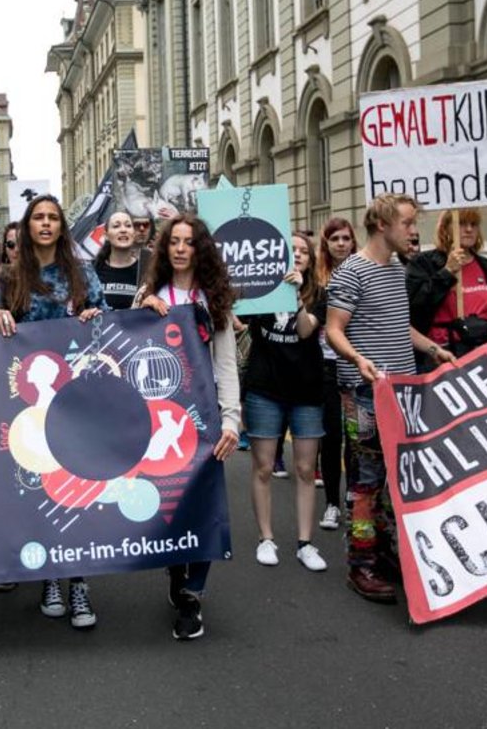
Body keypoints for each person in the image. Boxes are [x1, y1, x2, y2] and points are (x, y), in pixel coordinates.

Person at [324, 194, 455, 604]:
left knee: (392, 479)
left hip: (402, 390)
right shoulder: (351, 273)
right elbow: (334, 330)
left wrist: (433, 349)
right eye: (407, 223)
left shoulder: (397, 269)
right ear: (382, 225)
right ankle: (360, 564)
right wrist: (359, 359)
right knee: (365, 481)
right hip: (365, 392)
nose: (414, 231)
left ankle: (380, 553)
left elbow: (400, 328)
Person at [0, 195, 107, 629]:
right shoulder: (8, 276)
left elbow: (106, 323)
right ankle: (50, 574)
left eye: (53, 218)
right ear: (27, 224)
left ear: (61, 227)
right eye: (38, 217)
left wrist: (96, 314)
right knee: (39, 491)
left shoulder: (84, 273)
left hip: (76, 399)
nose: (45, 224)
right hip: (27, 400)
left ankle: (79, 583)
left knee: (75, 489)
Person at [134, 214, 241, 640]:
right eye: (173, 241)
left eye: (188, 242)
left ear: (200, 249)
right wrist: (141, 312)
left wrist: (231, 418)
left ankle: (193, 596)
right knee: (170, 504)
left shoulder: (215, 299)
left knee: (205, 504)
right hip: (159, 418)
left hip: (204, 419)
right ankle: (177, 569)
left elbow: (226, 363)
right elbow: (130, 351)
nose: (180, 248)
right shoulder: (151, 293)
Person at [239, 231, 329, 573]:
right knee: (262, 467)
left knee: (306, 469)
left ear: (310, 259)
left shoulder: (320, 292)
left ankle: (306, 543)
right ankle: (266, 538)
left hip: (306, 390)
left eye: (303, 251)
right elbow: (236, 317)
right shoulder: (261, 288)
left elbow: (306, 331)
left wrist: (297, 295)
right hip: (265, 388)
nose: (298, 255)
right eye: (291, 250)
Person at [406, 209, 487, 358]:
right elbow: (417, 306)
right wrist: (447, 272)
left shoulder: (485, 265)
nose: (469, 229)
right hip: (446, 352)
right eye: (461, 224)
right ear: (445, 228)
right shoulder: (424, 263)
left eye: (473, 224)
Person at [314, 218, 357, 533]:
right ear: (326, 244)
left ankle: (356, 496)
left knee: (357, 438)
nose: (341, 244)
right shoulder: (317, 280)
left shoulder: (363, 272)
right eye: (335, 239)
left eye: (346, 238)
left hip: (356, 365)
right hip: (326, 366)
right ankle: (332, 503)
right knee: (331, 438)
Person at [93, 210, 148, 310]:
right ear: (106, 235)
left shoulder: (145, 270)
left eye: (128, 225)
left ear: (134, 233)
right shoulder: (92, 270)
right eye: (116, 226)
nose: (123, 230)